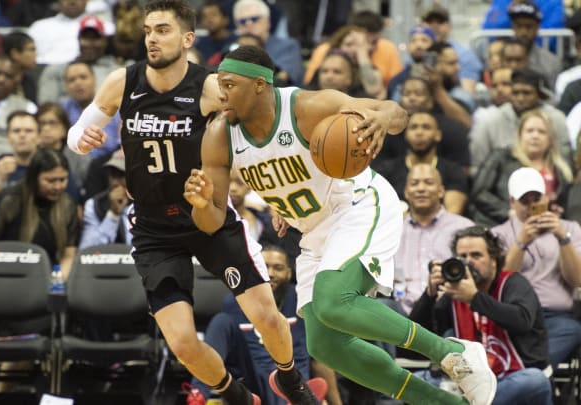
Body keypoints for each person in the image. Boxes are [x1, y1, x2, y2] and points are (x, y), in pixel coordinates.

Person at [183, 45, 498, 405]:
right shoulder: (218, 136)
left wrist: (380, 120)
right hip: (314, 229)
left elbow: (394, 112)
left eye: (228, 84)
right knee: (325, 344)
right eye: (218, 85)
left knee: (334, 302)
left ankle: (451, 352)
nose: (219, 94)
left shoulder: (305, 107)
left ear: (259, 85)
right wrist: (202, 204)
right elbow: (210, 223)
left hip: (357, 204)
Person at [67, 2, 322, 404]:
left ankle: (289, 378)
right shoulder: (123, 81)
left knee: (267, 317)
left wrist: (273, 195)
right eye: (149, 30)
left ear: (187, 39)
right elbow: (78, 132)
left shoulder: (208, 87)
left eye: (163, 30)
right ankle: (235, 395)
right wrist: (82, 139)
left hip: (207, 215)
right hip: (153, 228)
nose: (152, 38)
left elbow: (258, 138)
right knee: (183, 344)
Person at [410, 226, 553, 405]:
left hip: (512, 377)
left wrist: (475, 298)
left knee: (535, 381)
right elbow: (413, 341)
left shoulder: (513, 283)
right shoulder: (453, 292)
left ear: (494, 260)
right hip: (469, 384)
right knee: (416, 382)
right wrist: (429, 294)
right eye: (462, 257)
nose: (468, 262)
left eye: (476, 256)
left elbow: (522, 321)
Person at [186, 245, 340, 405]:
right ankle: (197, 396)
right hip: (255, 381)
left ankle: (299, 399)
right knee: (221, 321)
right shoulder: (235, 301)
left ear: (288, 273)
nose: (271, 273)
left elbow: (318, 358)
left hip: (293, 380)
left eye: (278, 268)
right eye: (265, 267)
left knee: (293, 376)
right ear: (255, 269)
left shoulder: (300, 298)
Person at [491, 167, 581, 369]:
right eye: (524, 200)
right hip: (515, 315)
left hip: (555, 317)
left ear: (547, 198)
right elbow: (501, 283)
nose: (532, 205)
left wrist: (562, 238)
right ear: (512, 203)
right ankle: (531, 375)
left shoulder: (570, 229)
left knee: (574, 330)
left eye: (536, 198)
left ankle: (529, 372)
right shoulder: (498, 235)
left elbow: (577, 280)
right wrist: (521, 243)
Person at [0, 146, 79, 278]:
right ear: (34, 178)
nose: (58, 186)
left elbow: (68, 255)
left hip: (48, 278)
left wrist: (57, 280)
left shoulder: (67, 205)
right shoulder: (8, 201)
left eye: (62, 179)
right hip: (5, 275)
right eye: (51, 180)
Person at [390, 163, 474, 315]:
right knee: (383, 307)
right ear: (406, 192)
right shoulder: (391, 231)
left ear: (441, 191)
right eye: (414, 183)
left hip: (446, 309)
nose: (421, 188)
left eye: (428, 183)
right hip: (400, 311)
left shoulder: (463, 228)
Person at [469, 109, 573, 227]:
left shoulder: (561, 170)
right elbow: (479, 193)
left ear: (550, 139)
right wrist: (509, 212)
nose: (535, 136)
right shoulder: (501, 158)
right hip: (500, 225)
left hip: (544, 227)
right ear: (520, 135)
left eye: (541, 132)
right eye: (530, 131)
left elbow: (563, 204)